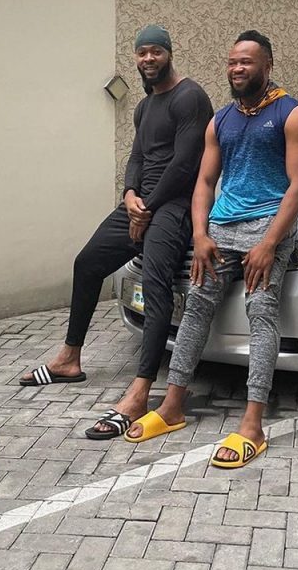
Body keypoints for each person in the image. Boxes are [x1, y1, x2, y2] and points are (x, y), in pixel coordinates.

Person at [123, 30, 298, 467]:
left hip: (267, 227)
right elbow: (205, 182)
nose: (237, 69)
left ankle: (253, 423)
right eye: (232, 62)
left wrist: (270, 243)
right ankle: (172, 406)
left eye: (246, 62)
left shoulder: (292, 114)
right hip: (221, 228)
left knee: (261, 311)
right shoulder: (222, 119)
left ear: (267, 65)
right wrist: (200, 234)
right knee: (196, 307)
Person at [19, 24, 213, 440]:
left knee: (156, 286)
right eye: (142, 53)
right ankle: (69, 358)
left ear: (169, 53)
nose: (148, 59)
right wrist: (129, 195)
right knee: (87, 263)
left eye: (155, 51)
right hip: (140, 204)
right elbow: (137, 157)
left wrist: (148, 208)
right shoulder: (145, 107)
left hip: (175, 206)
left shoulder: (190, 97)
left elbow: (185, 165)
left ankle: (141, 392)